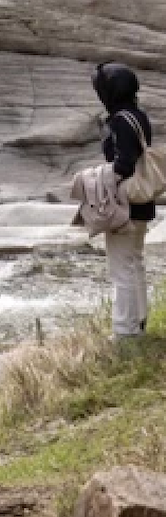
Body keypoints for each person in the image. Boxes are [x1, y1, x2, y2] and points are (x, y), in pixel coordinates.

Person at [93, 62, 154, 340]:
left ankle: (125, 333)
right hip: (141, 201)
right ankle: (138, 323)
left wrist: (96, 177)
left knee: (121, 269)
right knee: (134, 262)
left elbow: (124, 164)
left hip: (124, 204)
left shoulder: (120, 120)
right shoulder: (138, 115)